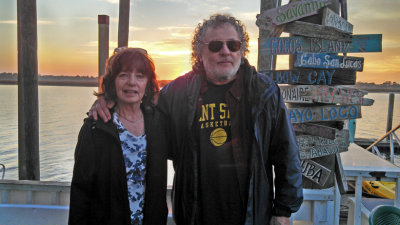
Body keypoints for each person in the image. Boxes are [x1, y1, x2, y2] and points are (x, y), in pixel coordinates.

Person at [91, 14, 303, 225]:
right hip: (194, 216)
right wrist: (107, 97)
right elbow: (138, 107)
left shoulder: (264, 93)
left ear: (242, 50)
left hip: (252, 216)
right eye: (215, 45)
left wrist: (283, 211)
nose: (225, 51)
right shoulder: (176, 93)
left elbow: (286, 154)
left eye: (233, 44)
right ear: (199, 52)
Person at [69, 48, 168, 225]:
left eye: (140, 76)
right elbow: (81, 191)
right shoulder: (95, 128)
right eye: (123, 75)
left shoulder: (159, 124)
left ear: (147, 84)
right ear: (113, 82)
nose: (132, 82)